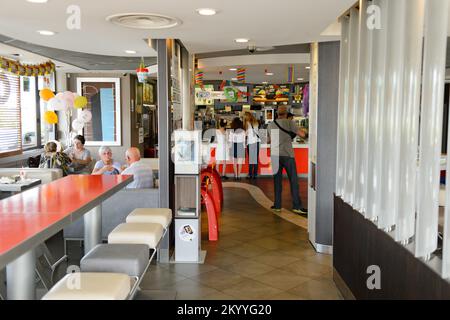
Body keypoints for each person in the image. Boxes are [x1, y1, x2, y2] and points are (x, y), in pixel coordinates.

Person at [268, 105, 308, 216]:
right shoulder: (290, 123)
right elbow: (303, 134)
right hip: (288, 155)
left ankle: (277, 205)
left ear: (277, 113)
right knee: (293, 181)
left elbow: (269, 140)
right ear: (286, 113)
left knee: (277, 181)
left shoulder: (271, 125)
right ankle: (297, 206)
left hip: (275, 155)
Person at [244, 112, 261, 179]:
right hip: (257, 142)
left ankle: (250, 174)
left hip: (251, 142)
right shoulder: (256, 122)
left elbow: (246, 134)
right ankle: (255, 174)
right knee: (255, 159)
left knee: (251, 159)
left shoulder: (247, 123)